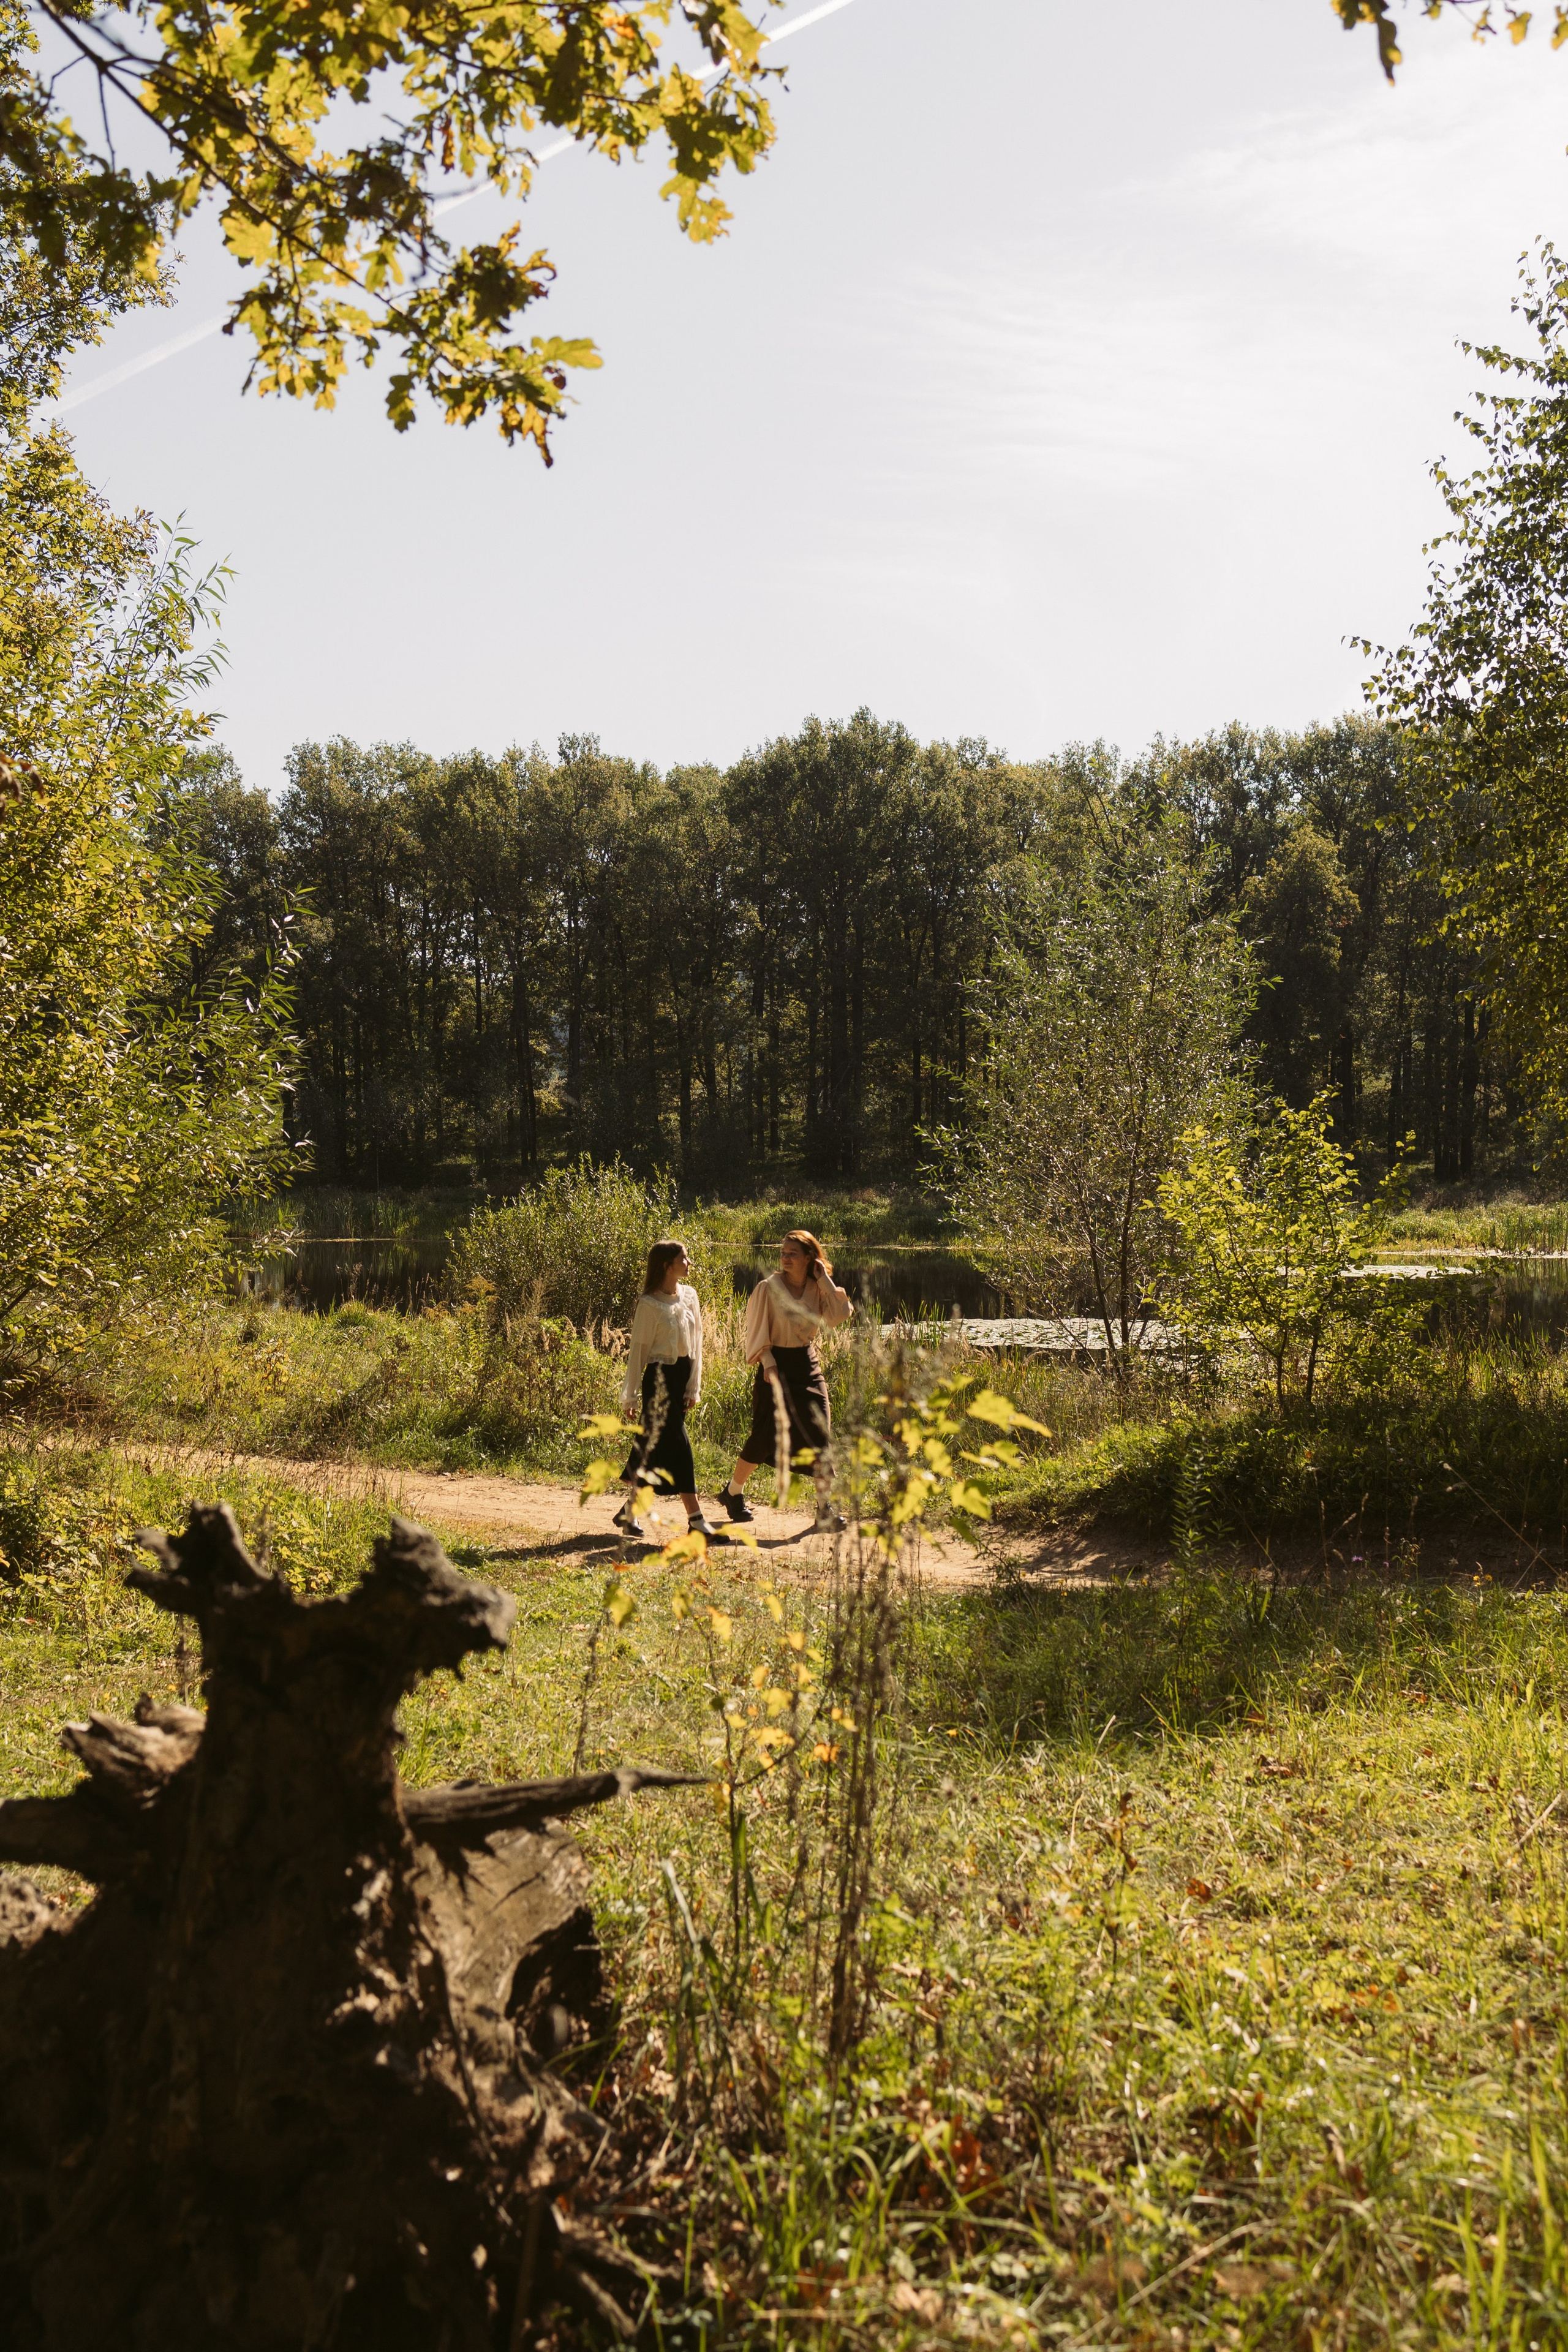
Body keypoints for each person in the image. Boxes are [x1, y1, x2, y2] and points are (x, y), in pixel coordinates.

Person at [717, 1228, 852, 1534]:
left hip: (807, 1365)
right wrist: (768, 1364)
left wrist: (825, 1280)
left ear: (810, 1258)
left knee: (820, 1434)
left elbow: (840, 1315)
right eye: (783, 1253)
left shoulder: (819, 1288)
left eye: (793, 1254)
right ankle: (733, 1492)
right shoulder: (769, 1288)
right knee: (764, 1437)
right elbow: (756, 1329)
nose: (786, 1258)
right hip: (774, 1365)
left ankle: (824, 1510)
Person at [616, 1242, 716, 1542]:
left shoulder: (690, 1296)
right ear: (665, 1265)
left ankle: (629, 1511)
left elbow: (697, 1343)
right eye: (682, 1258)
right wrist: (630, 1395)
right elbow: (639, 1352)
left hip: (681, 1376)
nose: (688, 1262)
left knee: (654, 1446)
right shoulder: (649, 1304)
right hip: (659, 1381)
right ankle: (696, 1519)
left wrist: (693, 1386)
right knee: (678, 1443)